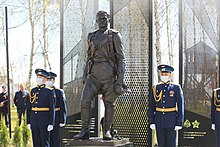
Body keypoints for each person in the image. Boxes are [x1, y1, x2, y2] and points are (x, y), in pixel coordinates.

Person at [73, 10, 127, 140]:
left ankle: (107, 131)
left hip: (109, 76)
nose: (102, 21)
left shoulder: (114, 35)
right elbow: (89, 57)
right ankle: (84, 131)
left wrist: (119, 81)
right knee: (85, 101)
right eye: (99, 19)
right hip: (93, 77)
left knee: (109, 104)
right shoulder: (91, 36)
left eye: (104, 18)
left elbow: (121, 59)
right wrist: (85, 74)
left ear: (108, 19)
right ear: (96, 21)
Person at [149, 64, 184, 147]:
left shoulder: (175, 87)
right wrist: (152, 120)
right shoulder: (156, 88)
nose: (164, 76)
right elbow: (151, 105)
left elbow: (180, 105)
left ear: (170, 75)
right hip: (159, 120)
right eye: (162, 74)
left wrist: (179, 122)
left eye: (166, 74)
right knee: (161, 144)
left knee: (171, 144)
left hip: (171, 120)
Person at [27, 68, 56, 147]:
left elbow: (52, 109)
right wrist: (28, 121)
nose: (38, 79)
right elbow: (29, 107)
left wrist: (51, 123)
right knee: (36, 143)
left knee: (45, 143)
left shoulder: (49, 91)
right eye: (37, 77)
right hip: (34, 120)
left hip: (44, 121)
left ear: (45, 79)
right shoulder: (33, 90)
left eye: (40, 77)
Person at [46, 71, 67, 147]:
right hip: (46, 117)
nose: (48, 81)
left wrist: (62, 120)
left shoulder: (59, 92)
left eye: (50, 79)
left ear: (53, 81)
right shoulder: (44, 91)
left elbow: (63, 106)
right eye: (47, 79)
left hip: (56, 118)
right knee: (47, 139)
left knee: (56, 138)